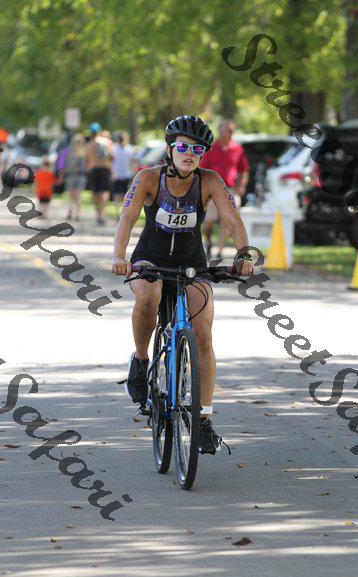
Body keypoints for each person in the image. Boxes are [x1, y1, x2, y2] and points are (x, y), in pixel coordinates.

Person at [111, 115, 253, 454]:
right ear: (169, 149)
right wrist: (119, 256)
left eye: (197, 150)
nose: (190, 154)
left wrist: (244, 254)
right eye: (183, 147)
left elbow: (233, 221)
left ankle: (203, 419)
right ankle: (141, 360)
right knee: (149, 296)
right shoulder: (148, 178)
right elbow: (127, 219)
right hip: (150, 259)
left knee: (203, 334)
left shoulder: (210, 181)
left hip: (192, 264)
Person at [200, 119, 250, 259]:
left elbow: (244, 169)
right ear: (221, 131)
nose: (232, 132)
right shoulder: (210, 148)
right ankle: (208, 242)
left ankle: (220, 251)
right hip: (211, 190)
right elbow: (202, 170)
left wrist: (241, 185)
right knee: (208, 222)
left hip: (230, 190)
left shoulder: (237, 149)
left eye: (233, 130)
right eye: (229, 130)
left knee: (228, 222)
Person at [84, 122, 112, 225]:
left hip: (93, 169)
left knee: (95, 193)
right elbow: (112, 157)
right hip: (105, 169)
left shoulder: (89, 144)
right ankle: (102, 214)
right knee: (104, 192)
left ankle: (98, 214)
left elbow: (86, 160)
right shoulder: (107, 142)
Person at [60, 134, 87, 221]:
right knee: (76, 195)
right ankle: (74, 213)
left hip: (74, 175)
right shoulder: (84, 151)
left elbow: (61, 164)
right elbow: (62, 164)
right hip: (77, 175)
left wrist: (62, 174)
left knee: (73, 195)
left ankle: (72, 212)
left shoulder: (68, 151)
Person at [111, 132, 135, 217]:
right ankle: (118, 213)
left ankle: (123, 212)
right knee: (117, 195)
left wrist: (133, 173)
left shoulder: (130, 149)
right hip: (117, 175)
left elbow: (132, 162)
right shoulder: (114, 148)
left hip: (126, 174)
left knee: (125, 195)